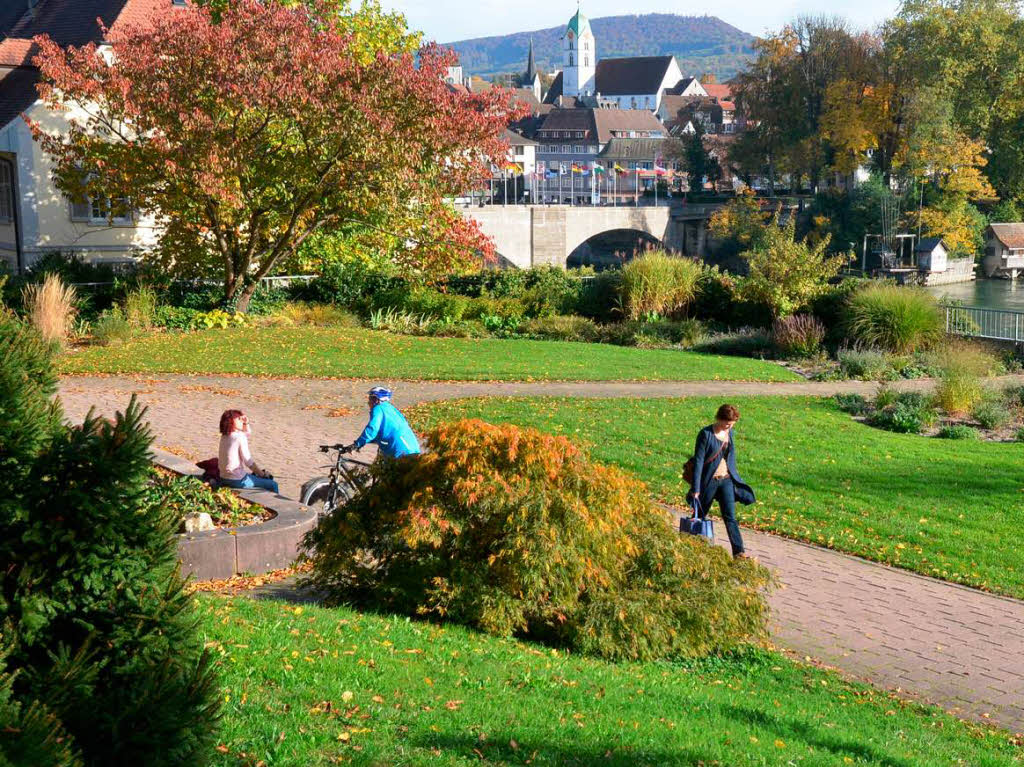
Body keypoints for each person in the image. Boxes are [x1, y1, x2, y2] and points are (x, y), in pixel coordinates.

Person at [687, 403, 755, 559]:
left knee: (730, 517)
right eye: (727, 423)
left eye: (731, 425)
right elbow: (698, 462)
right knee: (699, 516)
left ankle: (739, 552)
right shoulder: (706, 434)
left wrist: (732, 475)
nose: (729, 427)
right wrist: (696, 488)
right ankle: (689, 547)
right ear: (719, 418)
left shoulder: (729, 433)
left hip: (726, 481)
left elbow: (730, 456)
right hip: (709, 481)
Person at [343, 386, 421, 460]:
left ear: (377, 400)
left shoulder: (378, 408)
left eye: (370, 399)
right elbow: (382, 432)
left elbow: (372, 429)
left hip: (402, 451)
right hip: (410, 448)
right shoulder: (389, 408)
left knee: (384, 471)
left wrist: (356, 445)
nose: (368, 402)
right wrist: (362, 442)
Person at [217, 409, 279, 493]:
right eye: (239, 419)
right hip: (236, 480)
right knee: (273, 484)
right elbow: (248, 462)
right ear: (231, 421)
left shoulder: (225, 436)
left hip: (223, 477)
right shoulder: (239, 437)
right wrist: (263, 474)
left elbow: (246, 434)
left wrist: (246, 423)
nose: (241, 421)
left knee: (255, 477)